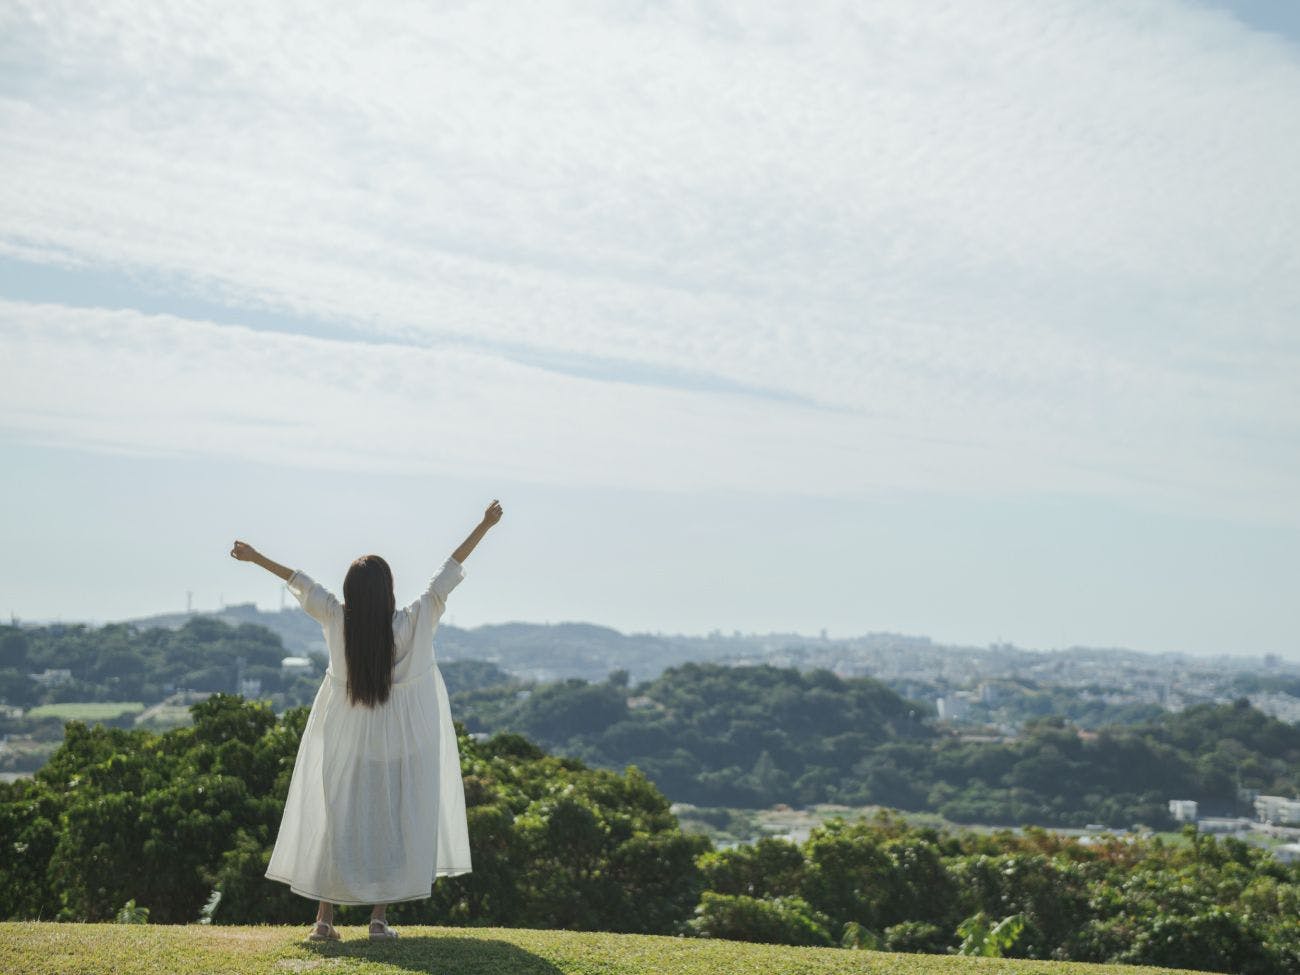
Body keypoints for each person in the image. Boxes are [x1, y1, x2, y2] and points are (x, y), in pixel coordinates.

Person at [229, 499, 503, 942]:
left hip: (349, 743)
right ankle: (378, 919)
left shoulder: (338, 620)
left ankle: (324, 921)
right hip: (402, 746)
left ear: (353, 593)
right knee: (391, 827)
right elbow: (448, 571)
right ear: (388, 590)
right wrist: (485, 524)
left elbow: (301, 582)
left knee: (338, 825)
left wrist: (255, 556)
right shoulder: (414, 622)